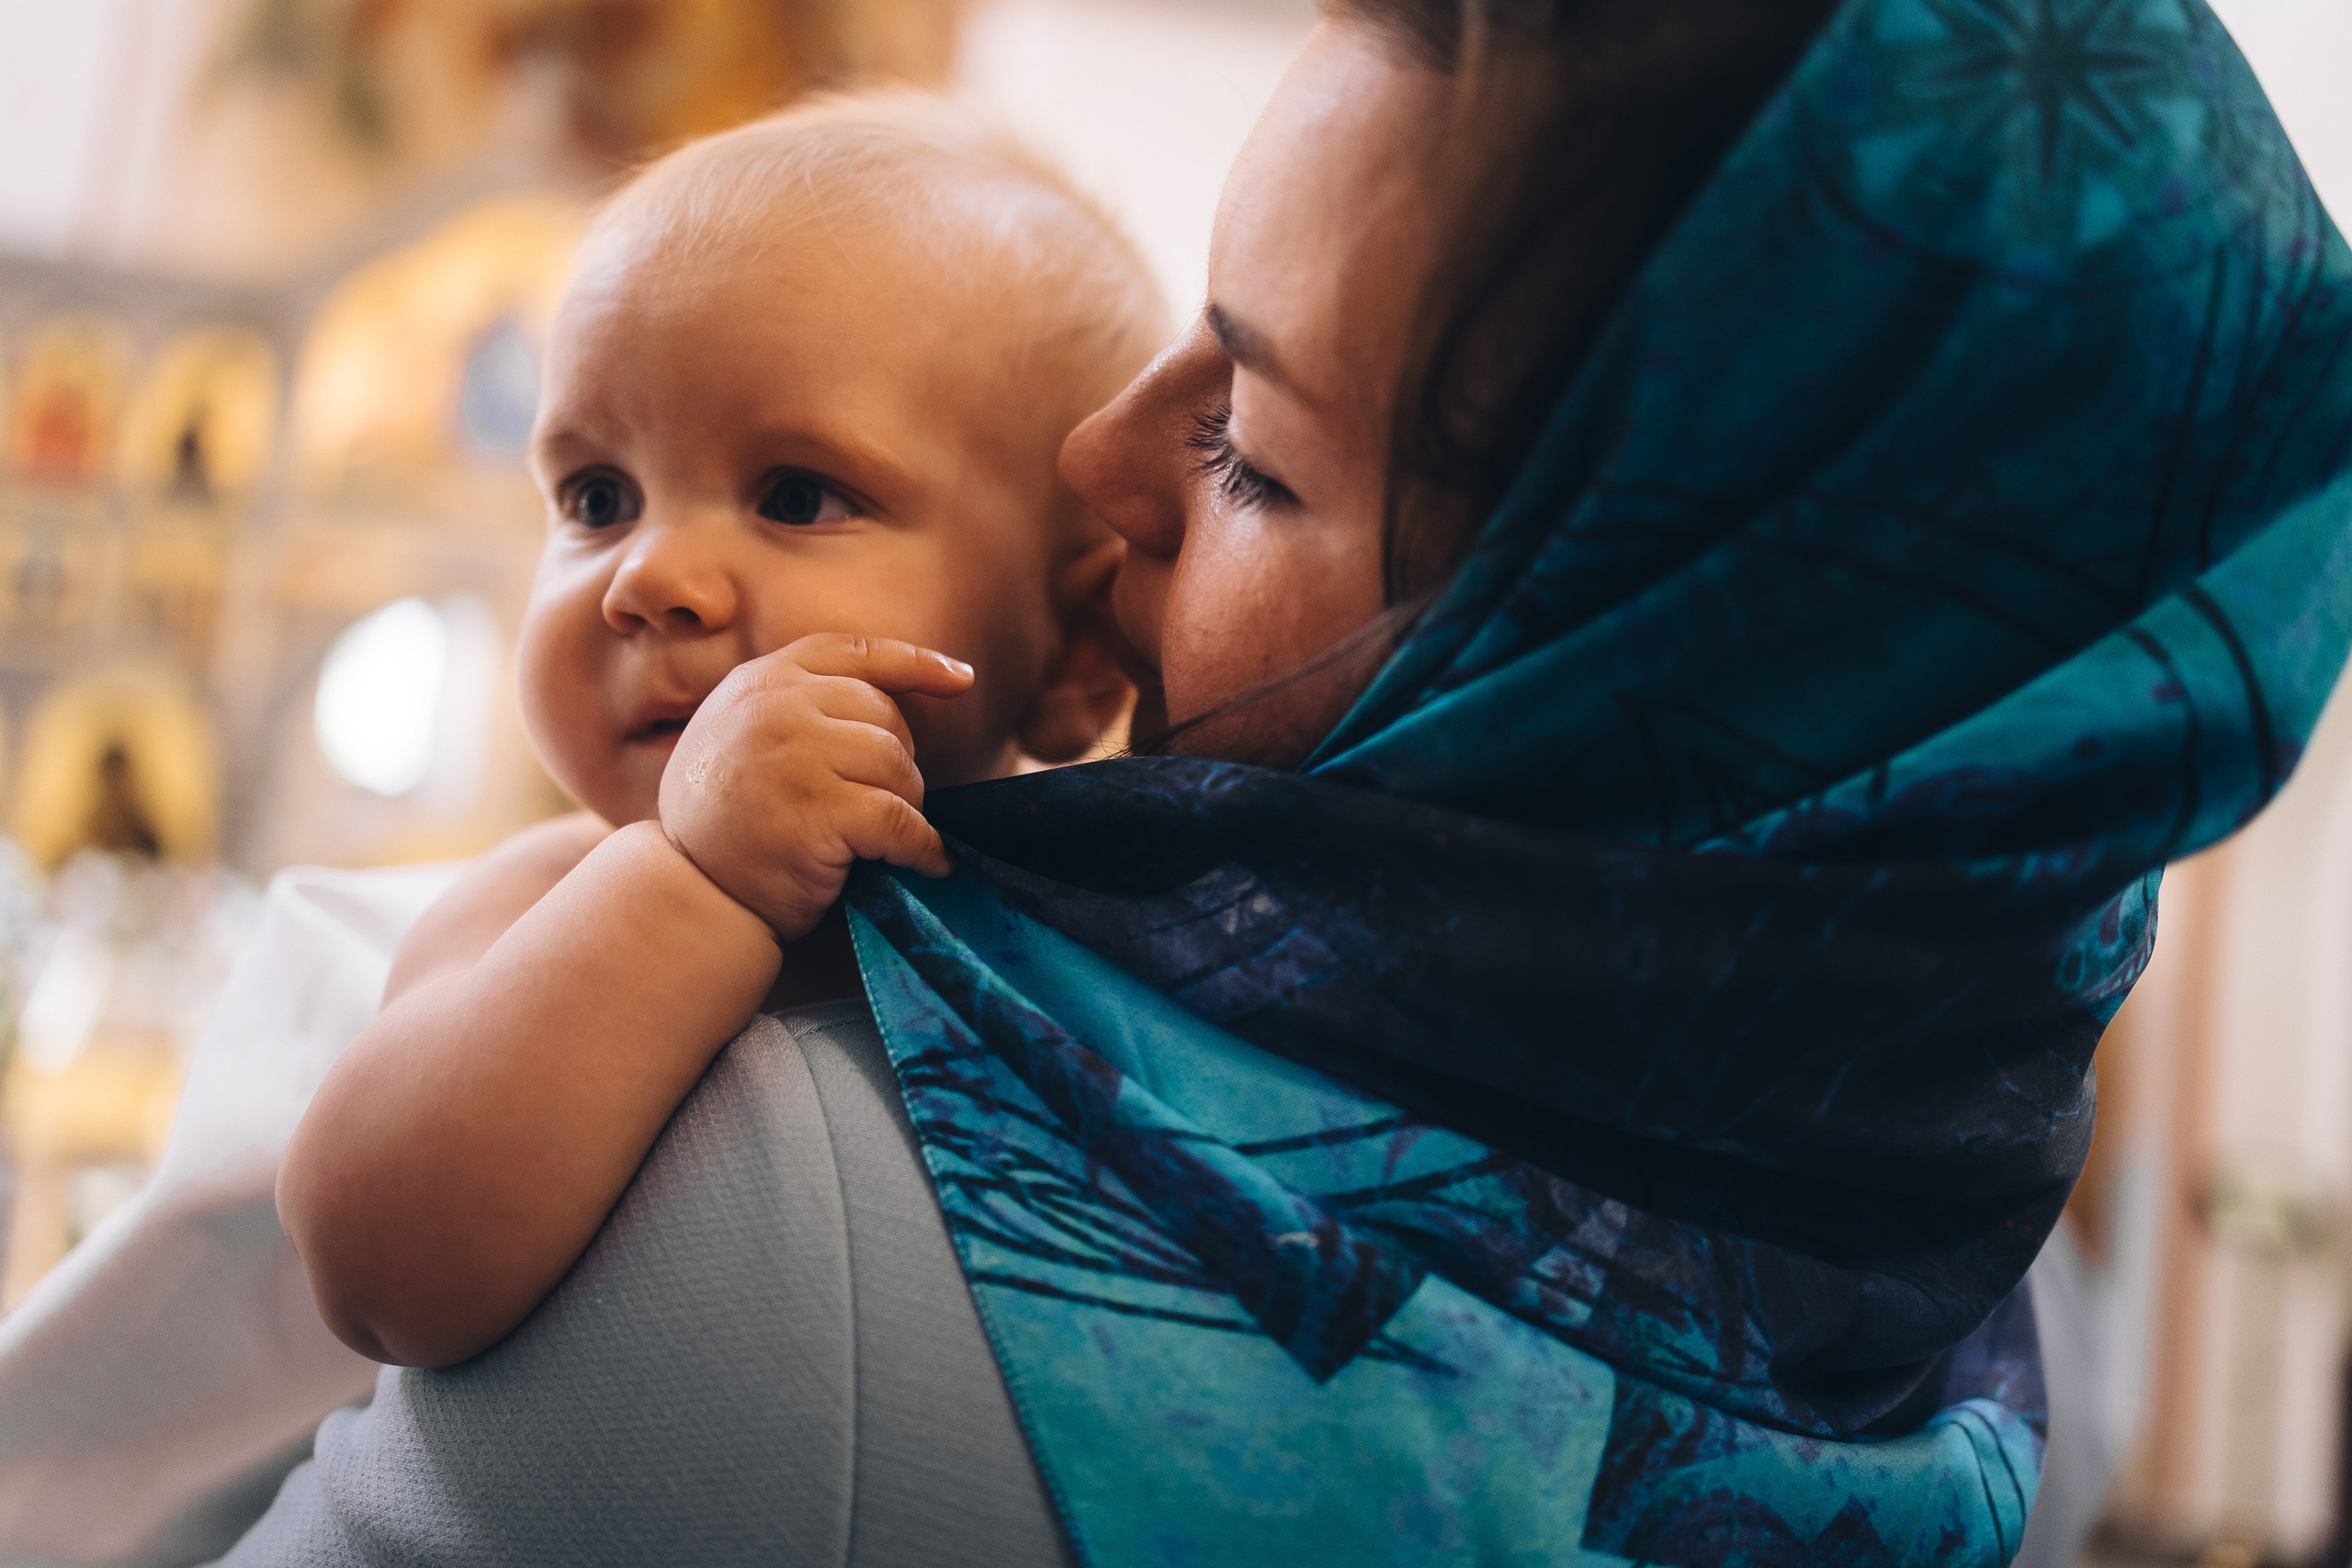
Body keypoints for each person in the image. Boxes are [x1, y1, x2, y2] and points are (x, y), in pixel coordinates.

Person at [209, 0, 2352, 1562]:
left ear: (1604, 661)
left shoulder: (788, 1216)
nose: (1098, 469)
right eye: (588, 489)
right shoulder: (1992, 1359)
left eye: (1249, 440)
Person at [273, 92, 1158, 1371]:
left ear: (1075, 656)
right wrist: (692, 881)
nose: (649, 576)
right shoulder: (550, 895)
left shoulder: (1093, 933)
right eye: (597, 495)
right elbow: (376, 1270)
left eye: (796, 496)